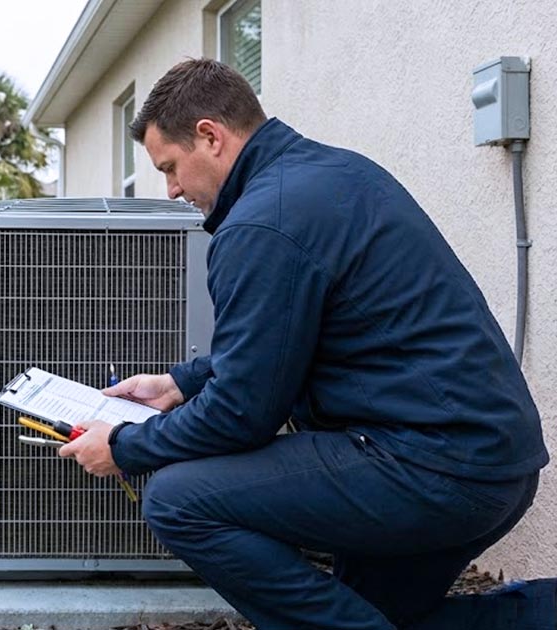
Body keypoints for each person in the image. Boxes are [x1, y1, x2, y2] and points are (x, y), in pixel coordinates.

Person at [58, 58, 552, 629]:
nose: (171, 190)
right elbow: (293, 335)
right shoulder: (338, 172)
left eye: (170, 167)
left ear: (210, 136)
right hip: (495, 463)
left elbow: (240, 415)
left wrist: (124, 447)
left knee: (177, 498)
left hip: (431, 468)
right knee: (374, 614)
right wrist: (178, 383)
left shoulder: (261, 225)